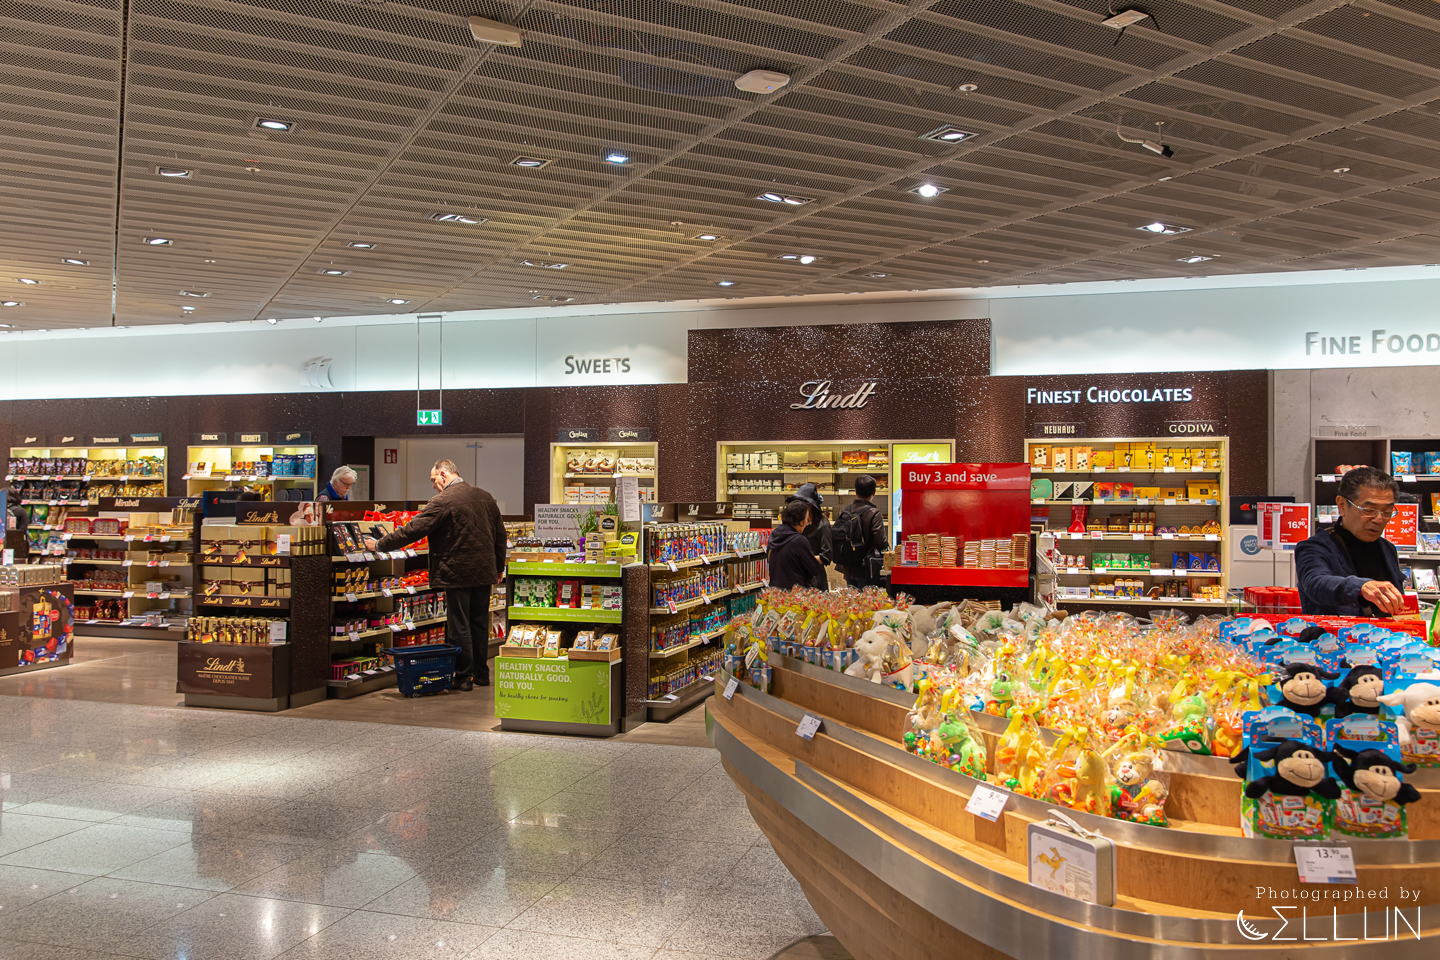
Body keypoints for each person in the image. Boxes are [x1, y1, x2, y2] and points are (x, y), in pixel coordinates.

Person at [364, 459, 506, 689]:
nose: (432, 485)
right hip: (484, 571)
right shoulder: (485, 496)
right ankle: (481, 674)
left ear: (443, 474)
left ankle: (463, 677)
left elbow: (412, 530)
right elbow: (500, 534)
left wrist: (380, 544)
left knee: (459, 625)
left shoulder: (442, 501)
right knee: (479, 624)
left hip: (457, 571)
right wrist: (499, 566)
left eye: (433, 480)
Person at [1295, 466, 1406, 617]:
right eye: (1368, 510)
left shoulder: (1387, 548)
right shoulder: (1314, 547)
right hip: (1333, 632)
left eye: (1387, 512)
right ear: (1342, 505)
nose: (1379, 519)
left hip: (1387, 632)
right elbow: (1315, 583)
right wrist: (1361, 586)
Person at [833, 474, 888, 589]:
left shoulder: (844, 511)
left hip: (848, 568)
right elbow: (880, 542)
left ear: (856, 491)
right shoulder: (874, 513)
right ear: (874, 492)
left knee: (853, 599)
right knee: (867, 599)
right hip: (867, 568)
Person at [769, 499, 823, 591]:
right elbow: (814, 568)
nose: (807, 523)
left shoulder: (773, 535)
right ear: (800, 521)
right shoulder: (799, 540)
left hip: (774, 591)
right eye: (806, 519)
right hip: (794, 593)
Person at [785, 482, 831, 589]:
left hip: (815, 580)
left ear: (809, 506)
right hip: (798, 577)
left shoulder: (823, 525)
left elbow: (827, 556)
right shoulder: (797, 524)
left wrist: (804, 559)